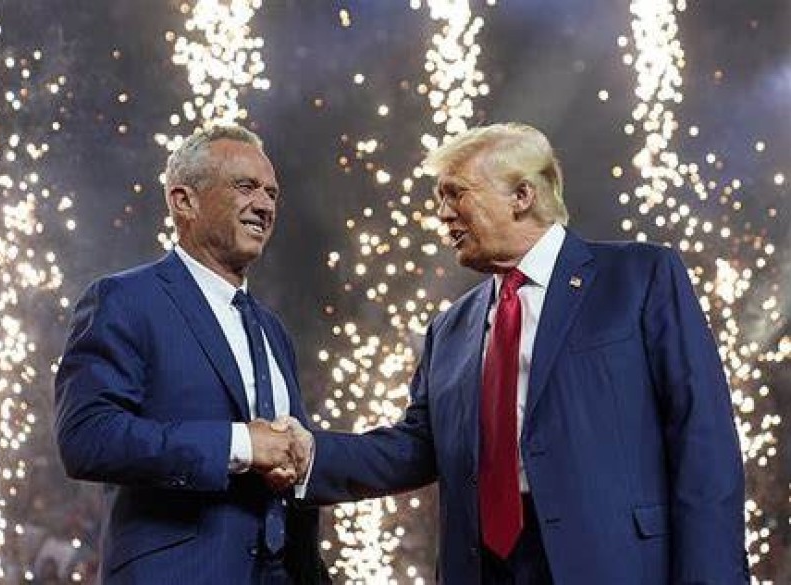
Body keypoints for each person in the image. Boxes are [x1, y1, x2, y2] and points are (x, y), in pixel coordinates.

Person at [290, 123, 749, 584]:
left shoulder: (638, 277)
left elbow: (702, 434)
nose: (443, 214)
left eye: (456, 194)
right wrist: (308, 455)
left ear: (522, 195)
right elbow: (417, 447)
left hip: (612, 564)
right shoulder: (449, 329)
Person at [54, 124, 329, 584]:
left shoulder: (273, 331)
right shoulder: (125, 300)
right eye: (245, 187)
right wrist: (240, 445)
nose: (264, 205)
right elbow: (87, 437)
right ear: (184, 201)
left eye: (272, 193)